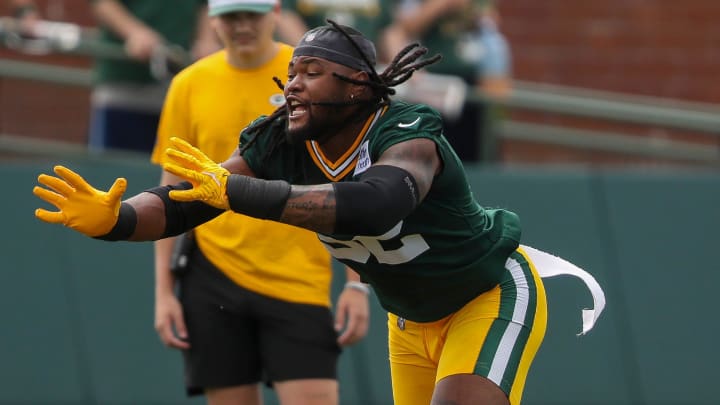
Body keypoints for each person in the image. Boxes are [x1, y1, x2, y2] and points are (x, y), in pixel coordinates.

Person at [33, 21, 605, 405]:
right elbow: (190, 201)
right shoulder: (281, 138)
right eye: (293, 72)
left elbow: (377, 203)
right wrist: (119, 221)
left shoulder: (405, 129)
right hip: (409, 318)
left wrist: (241, 196)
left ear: (357, 86)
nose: (292, 85)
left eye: (310, 72)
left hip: (486, 292)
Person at [150, 1, 369, 404]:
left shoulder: (312, 75)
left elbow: (347, 181)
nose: (243, 25)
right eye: (232, 16)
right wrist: (164, 294)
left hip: (299, 276)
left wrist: (357, 286)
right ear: (214, 20)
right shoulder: (189, 83)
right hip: (213, 273)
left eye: (252, 13)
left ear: (275, 12)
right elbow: (172, 191)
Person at [382, 0, 512, 161]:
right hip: (430, 81)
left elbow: (490, 24)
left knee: (496, 46)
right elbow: (401, 29)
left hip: (471, 80)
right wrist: (441, 5)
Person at [87, 0, 219, 153]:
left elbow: (205, 4)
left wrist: (207, 39)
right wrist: (134, 32)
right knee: (116, 167)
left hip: (186, 83)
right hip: (126, 83)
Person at [276, 0, 394, 62]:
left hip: (364, 63)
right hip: (311, 62)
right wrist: (316, 56)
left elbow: (388, 28)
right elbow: (286, 17)